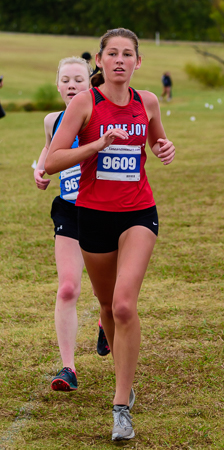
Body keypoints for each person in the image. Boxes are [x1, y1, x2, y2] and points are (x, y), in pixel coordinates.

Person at [45, 28, 175, 440]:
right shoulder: (84, 102)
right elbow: (52, 161)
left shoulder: (147, 101)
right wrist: (96, 144)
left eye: (128, 54)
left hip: (138, 212)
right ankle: (122, 372)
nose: (120, 60)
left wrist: (163, 148)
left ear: (138, 62)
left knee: (123, 305)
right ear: (99, 62)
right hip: (93, 216)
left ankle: (121, 404)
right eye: (113, 54)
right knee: (105, 306)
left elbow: (156, 140)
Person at [34, 56, 109, 393]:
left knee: (107, 291)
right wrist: (39, 168)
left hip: (105, 210)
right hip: (68, 210)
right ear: (57, 83)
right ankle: (68, 368)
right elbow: (51, 150)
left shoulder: (101, 116)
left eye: (78, 79)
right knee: (67, 288)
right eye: (65, 80)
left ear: (89, 81)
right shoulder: (53, 119)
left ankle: (104, 321)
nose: (71, 86)